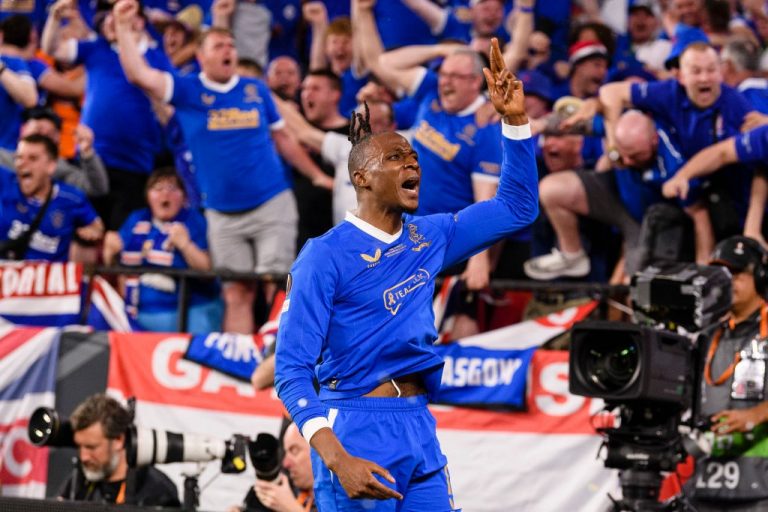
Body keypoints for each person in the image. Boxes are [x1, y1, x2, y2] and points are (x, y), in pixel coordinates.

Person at [274, 38, 537, 510]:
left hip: (418, 423)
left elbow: (516, 207)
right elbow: (291, 371)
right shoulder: (323, 256)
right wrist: (337, 459)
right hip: (355, 427)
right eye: (395, 157)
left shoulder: (430, 236)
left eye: (413, 156)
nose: (411, 161)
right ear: (361, 178)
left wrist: (515, 122)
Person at [112, 0, 332, 334]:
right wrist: (122, 26)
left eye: (231, 44)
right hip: (221, 213)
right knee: (236, 293)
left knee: (277, 286)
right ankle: (238, 360)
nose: (229, 49)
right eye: (219, 45)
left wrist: (316, 176)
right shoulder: (188, 90)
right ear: (201, 56)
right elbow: (138, 75)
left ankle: (279, 357)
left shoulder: (255, 89)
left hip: (271, 204)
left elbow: (283, 139)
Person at [686, 235, 768, 510]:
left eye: (737, 273)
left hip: (761, 490)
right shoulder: (706, 337)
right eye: (721, 275)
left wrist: (757, 414)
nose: (728, 281)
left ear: (761, 276)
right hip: (705, 484)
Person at [102, 167, 222, 333]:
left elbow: (208, 273)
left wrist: (186, 245)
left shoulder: (194, 220)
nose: (165, 195)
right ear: (147, 196)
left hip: (189, 311)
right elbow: (116, 270)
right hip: (137, 312)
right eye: (157, 188)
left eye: (172, 188)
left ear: (184, 197)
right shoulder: (136, 219)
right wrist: (109, 253)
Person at [58, 393, 180, 507]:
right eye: (79, 446)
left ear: (118, 440)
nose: (84, 457)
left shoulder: (157, 492)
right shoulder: (78, 482)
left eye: (91, 447)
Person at [0, 134, 103, 261]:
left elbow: (97, 226)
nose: (22, 163)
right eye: (19, 157)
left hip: (51, 272)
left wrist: (92, 232)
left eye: (33, 158)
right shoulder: (6, 182)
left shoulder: (71, 198)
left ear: (51, 166)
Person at [0, 107, 109, 197]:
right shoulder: (3, 160)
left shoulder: (61, 170)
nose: (41, 140)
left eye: (49, 135)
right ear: (23, 130)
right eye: (38, 130)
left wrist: (87, 152)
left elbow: (97, 189)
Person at [231, 422, 316, 512]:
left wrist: (291, 509)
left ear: (319, 451)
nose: (285, 463)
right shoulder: (297, 495)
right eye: (286, 453)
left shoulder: (327, 499)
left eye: (294, 451)